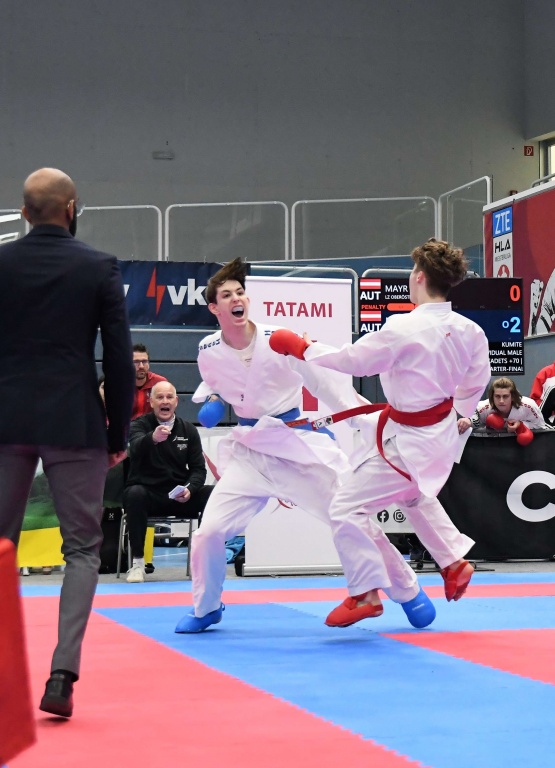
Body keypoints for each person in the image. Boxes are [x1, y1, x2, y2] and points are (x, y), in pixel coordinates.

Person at [174, 257, 436, 634]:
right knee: (209, 532)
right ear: (214, 308)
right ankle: (207, 607)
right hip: (250, 454)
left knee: (351, 518)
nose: (237, 299)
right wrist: (213, 398)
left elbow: (326, 383)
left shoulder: (277, 339)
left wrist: (366, 421)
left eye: (240, 292)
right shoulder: (208, 349)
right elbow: (216, 378)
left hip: (297, 446)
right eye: (227, 295)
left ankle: (408, 592)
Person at [270, 238, 491, 627]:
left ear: (419, 276)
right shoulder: (471, 331)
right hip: (437, 431)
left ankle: (366, 593)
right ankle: (453, 561)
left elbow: (355, 361)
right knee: (413, 494)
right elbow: (476, 382)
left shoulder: (405, 327)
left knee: (346, 508)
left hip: (411, 438)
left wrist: (304, 349)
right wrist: (455, 411)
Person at [0, 168, 135, 718]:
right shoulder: (98, 266)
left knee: (0, 547)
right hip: (74, 422)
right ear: (72, 207)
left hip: (6, 419)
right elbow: (119, 359)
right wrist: (118, 432)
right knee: (81, 549)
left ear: (24, 213)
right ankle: (62, 674)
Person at [124, 381, 213, 582]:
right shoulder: (138, 425)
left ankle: (203, 561)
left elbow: (198, 469)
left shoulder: (188, 430)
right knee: (134, 494)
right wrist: (153, 438)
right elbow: (135, 447)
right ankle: (138, 563)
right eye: (160, 397)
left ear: (176, 401)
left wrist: (190, 489)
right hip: (148, 495)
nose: (165, 401)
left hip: (178, 496)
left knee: (211, 494)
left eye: (169, 397)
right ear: (151, 402)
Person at [458, 377, 548, 440]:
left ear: (512, 396)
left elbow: (541, 427)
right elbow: (473, 413)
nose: (501, 401)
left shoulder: (528, 406)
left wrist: (521, 425)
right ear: (492, 397)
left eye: (505, 396)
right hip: (494, 449)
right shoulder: (484, 407)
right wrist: (468, 420)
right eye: (497, 396)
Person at [131, 343, 167, 420]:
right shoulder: (119, 383)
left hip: (153, 426)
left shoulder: (160, 383)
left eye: (144, 361)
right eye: (136, 362)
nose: (141, 366)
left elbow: (168, 411)